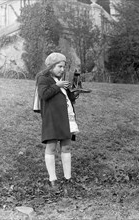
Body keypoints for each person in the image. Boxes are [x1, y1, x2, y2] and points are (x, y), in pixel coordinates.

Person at [36, 52, 79, 191]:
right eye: (59, 66)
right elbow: (44, 94)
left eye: (63, 67)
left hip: (65, 117)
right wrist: (58, 85)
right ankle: (52, 180)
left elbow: (65, 97)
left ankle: (68, 178)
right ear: (51, 66)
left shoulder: (60, 79)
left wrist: (74, 94)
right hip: (52, 118)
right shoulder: (43, 78)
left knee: (66, 147)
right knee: (52, 147)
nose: (62, 70)